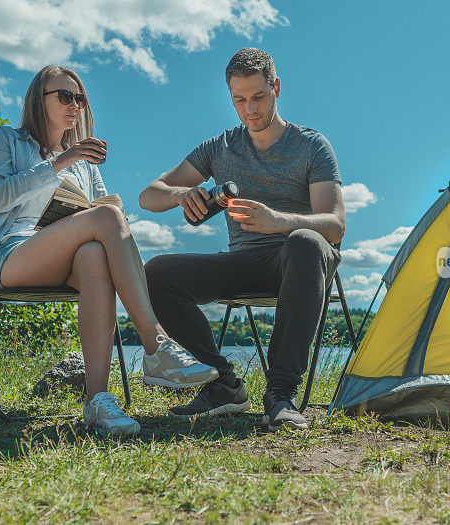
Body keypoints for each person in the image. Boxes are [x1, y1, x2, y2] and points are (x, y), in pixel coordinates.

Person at [0, 65, 218, 437]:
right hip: (15, 255)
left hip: (68, 255)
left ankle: (98, 401)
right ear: (39, 99)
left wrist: (85, 195)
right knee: (107, 217)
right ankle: (156, 346)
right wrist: (61, 162)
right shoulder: (8, 140)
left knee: (96, 253)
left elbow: (99, 208)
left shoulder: (84, 160)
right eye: (65, 96)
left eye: (80, 98)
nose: (76, 104)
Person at [139, 48, 345, 431]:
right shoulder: (220, 147)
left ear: (276, 88)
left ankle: (280, 393)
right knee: (157, 272)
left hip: (300, 260)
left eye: (258, 97)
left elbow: (335, 226)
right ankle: (224, 384)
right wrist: (182, 195)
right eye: (239, 99)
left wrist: (277, 220)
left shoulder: (312, 146)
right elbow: (148, 195)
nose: (250, 109)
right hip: (245, 262)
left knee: (304, 241)